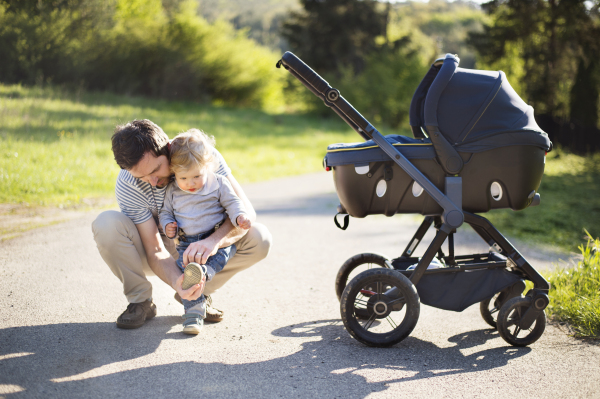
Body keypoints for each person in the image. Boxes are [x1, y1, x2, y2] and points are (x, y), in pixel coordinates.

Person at [92, 119, 272, 330]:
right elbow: (155, 249)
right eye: (142, 176)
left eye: (156, 170)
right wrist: (177, 280)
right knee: (106, 223)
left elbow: (246, 212)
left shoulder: (198, 154)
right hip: (156, 248)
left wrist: (213, 242)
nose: (152, 181)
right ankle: (141, 301)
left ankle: (196, 294)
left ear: (167, 149)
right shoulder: (128, 184)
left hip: (203, 247)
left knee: (260, 238)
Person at [159, 129, 252, 334]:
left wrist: (240, 217)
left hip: (215, 237)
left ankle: (204, 273)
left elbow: (233, 204)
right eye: (183, 177)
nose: (190, 183)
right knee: (186, 276)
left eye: (196, 176)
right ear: (174, 172)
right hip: (187, 243)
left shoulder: (218, 183)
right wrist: (168, 226)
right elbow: (165, 212)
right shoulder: (173, 190)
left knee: (218, 257)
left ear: (207, 166)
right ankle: (192, 317)